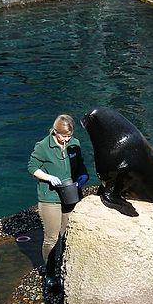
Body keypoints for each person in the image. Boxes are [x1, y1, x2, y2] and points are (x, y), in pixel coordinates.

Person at [27, 114, 88, 287]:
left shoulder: (74, 144)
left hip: (70, 193)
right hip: (50, 197)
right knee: (52, 237)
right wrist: (47, 177)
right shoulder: (43, 146)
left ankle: (64, 264)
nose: (66, 139)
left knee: (66, 233)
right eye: (63, 136)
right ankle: (50, 273)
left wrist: (83, 176)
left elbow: (80, 165)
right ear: (55, 131)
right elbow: (32, 167)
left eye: (69, 136)